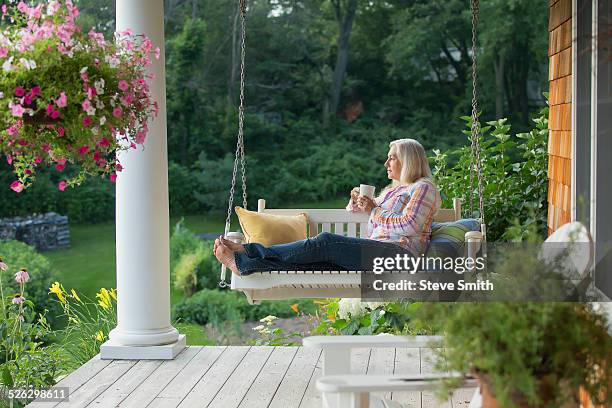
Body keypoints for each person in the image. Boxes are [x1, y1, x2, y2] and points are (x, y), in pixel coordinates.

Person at [214, 138, 441, 276]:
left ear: (408, 160)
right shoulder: (393, 190)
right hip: (378, 252)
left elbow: (410, 225)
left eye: (391, 158)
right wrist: (358, 203)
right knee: (319, 262)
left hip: (400, 255)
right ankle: (245, 265)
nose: (386, 163)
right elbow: (367, 214)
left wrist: (374, 209)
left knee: (326, 241)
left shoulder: (423, 188)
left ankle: (249, 251)